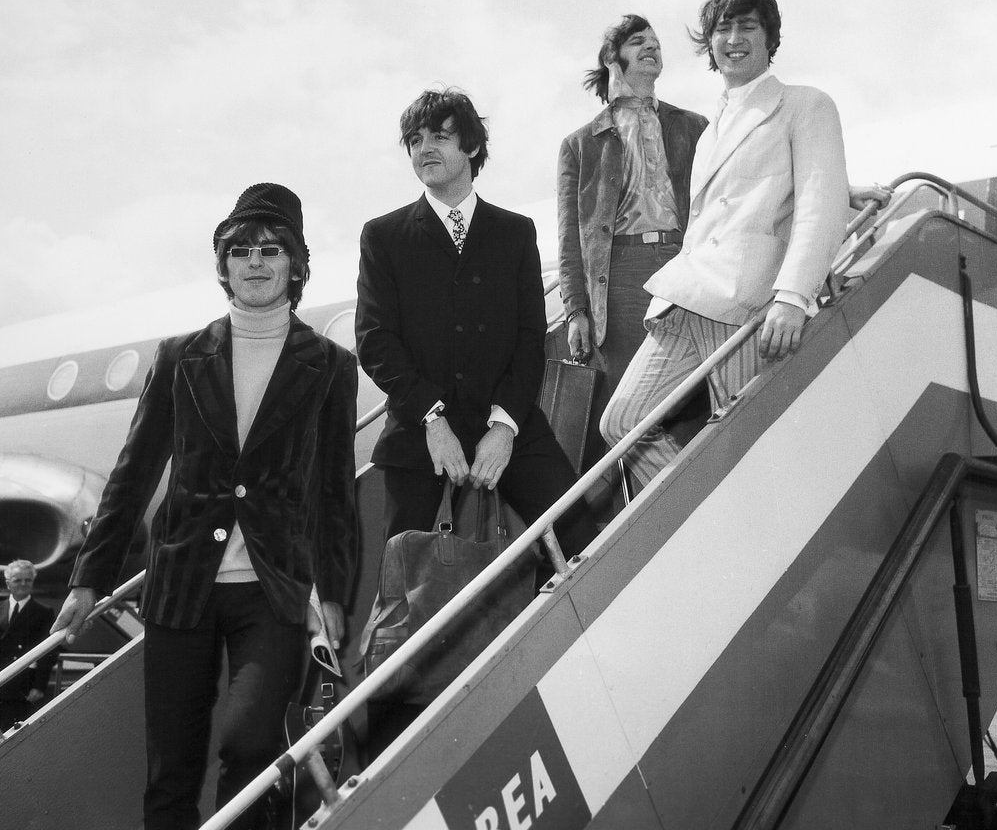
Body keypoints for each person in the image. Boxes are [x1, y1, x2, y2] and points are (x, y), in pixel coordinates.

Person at [51, 184, 359, 830]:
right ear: (223, 265)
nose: (255, 261)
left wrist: (333, 593)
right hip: (181, 587)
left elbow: (334, 489)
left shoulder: (328, 365)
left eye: (271, 249)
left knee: (249, 746)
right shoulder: (180, 357)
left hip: (272, 593)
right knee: (171, 773)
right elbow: (132, 477)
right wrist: (88, 579)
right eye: (240, 249)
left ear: (296, 265)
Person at [355, 87, 597, 753]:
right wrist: (431, 417)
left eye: (438, 134)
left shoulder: (515, 231)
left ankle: (562, 688)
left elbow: (527, 338)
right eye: (414, 141)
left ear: (470, 146)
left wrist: (503, 425)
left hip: (509, 425)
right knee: (402, 596)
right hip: (416, 433)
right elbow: (375, 339)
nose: (424, 148)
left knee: (581, 533)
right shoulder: (383, 236)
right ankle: (385, 757)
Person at [602, 0, 850, 488]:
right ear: (709, 44)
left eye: (747, 26)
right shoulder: (713, 123)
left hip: (745, 302)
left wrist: (792, 295)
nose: (733, 38)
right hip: (684, 295)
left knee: (744, 443)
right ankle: (700, 508)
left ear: (769, 39)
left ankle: (727, 520)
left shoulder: (806, 104)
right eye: (722, 29)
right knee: (622, 423)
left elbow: (820, 200)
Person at [557, 15, 708, 393]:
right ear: (612, 57)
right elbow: (570, 241)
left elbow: (737, 183)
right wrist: (576, 310)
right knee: (630, 396)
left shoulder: (694, 125)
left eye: (656, 41)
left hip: (684, 261)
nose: (652, 46)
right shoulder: (580, 145)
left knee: (690, 394)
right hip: (620, 275)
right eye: (638, 40)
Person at [1, 560, 57, 731]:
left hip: (23, 684)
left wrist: (39, 685)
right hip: (1, 678)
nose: (23, 584)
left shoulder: (43, 612)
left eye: (28, 580)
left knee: (15, 735)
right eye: (18, 580)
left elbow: (49, 652)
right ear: (8, 583)